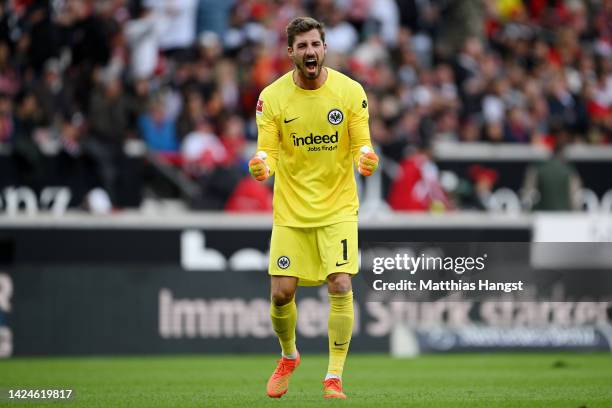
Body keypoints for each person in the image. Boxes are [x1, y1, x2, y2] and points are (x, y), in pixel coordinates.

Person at [247, 17, 379, 400]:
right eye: (302, 46)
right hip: (291, 211)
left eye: (315, 45)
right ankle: (289, 356)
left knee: (340, 282)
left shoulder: (350, 92)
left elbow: (363, 144)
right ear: (290, 52)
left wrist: (367, 158)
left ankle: (333, 377)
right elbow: (266, 151)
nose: (310, 52)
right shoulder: (271, 98)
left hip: (338, 208)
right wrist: (261, 166)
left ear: (325, 49)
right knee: (281, 295)